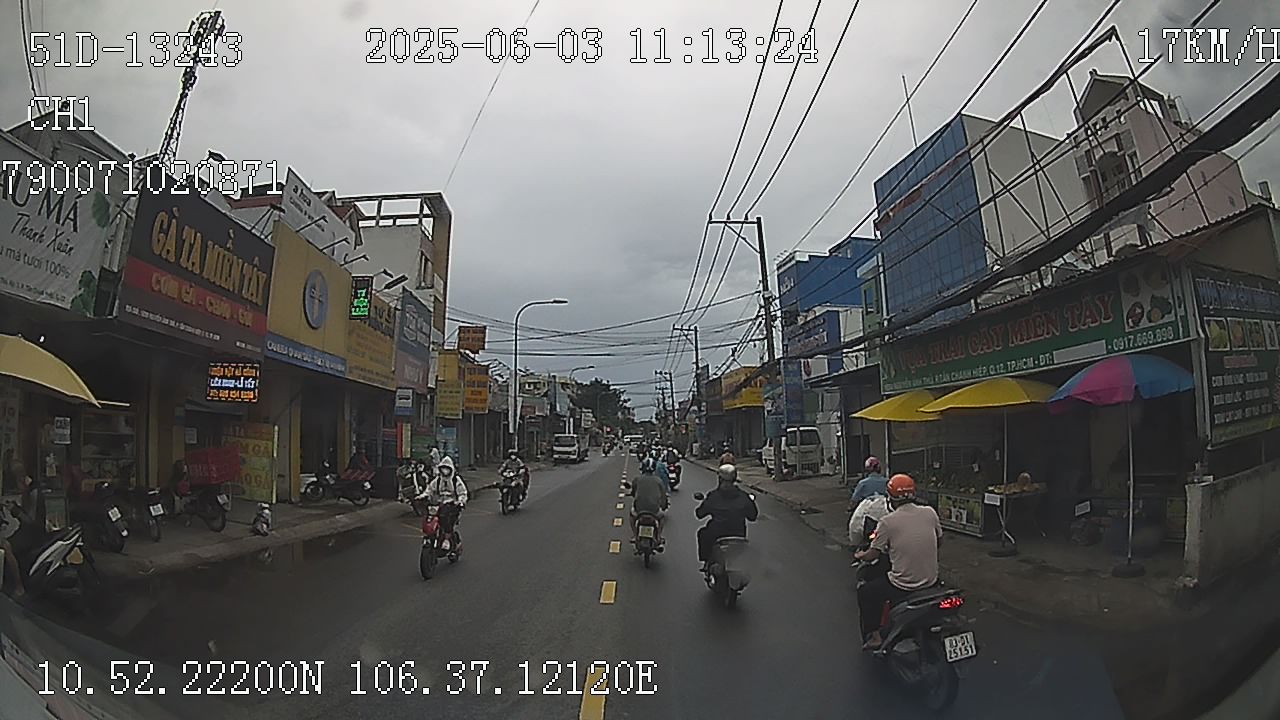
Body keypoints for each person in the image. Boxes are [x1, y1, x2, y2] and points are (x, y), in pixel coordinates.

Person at [853, 473, 942, 650]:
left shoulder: (887, 522)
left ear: (890, 498)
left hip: (903, 585)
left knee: (866, 592)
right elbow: (939, 541)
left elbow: (873, 555)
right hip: (931, 580)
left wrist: (860, 555)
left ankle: (875, 636)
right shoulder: (930, 512)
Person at [694, 464, 759, 571]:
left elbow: (699, 514)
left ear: (720, 479)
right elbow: (753, 516)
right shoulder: (744, 496)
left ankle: (706, 561)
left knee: (702, 533)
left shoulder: (713, 496)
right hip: (739, 535)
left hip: (716, 535)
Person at [418, 456, 469, 546]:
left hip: (452, 505)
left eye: (447, 469)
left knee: (447, 521)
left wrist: (461, 502)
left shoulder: (456, 480)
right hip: (438, 504)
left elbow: (462, 493)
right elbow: (429, 490)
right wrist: (423, 496)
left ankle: (447, 539)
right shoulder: (437, 480)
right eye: (443, 468)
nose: (445, 471)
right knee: (429, 517)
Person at [627, 465, 668, 543]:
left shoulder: (637, 479)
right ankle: (658, 537)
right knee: (662, 518)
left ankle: (635, 536)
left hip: (639, 511)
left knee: (632, 517)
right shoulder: (659, 480)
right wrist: (663, 506)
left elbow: (633, 492)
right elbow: (664, 496)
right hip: (654, 511)